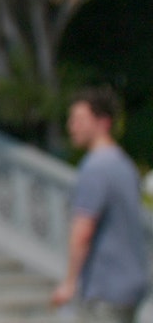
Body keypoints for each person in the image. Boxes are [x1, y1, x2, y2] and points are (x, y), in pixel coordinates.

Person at [52, 87, 148, 321]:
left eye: (79, 119)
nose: (71, 126)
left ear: (103, 122)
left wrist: (69, 282)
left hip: (105, 288)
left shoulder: (95, 168)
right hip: (132, 284)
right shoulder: (125, 165)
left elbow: (83, 230)